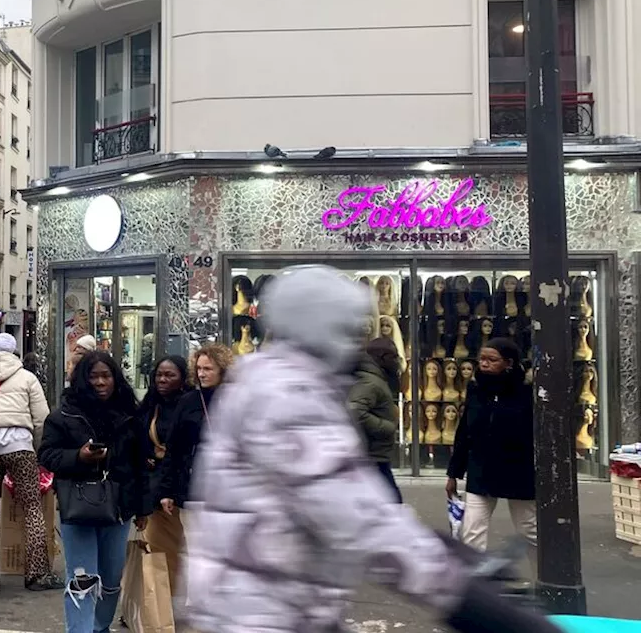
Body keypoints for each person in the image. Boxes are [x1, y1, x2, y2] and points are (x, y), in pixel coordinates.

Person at [183, 265, 557, 633]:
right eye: (349, 328)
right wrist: (474, 602)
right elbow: (358, 518)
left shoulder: (261, 382)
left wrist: (451, 553)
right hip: (266, 612)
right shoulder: (289, 398)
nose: (356, 340)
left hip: (261, 600)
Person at [39, 351, 149, 633]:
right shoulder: (63, 415)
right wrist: (79, 456)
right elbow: (47, 455)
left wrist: (143, 507)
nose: (100, 382)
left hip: (120, 507)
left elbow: (141, 462)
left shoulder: (130, 413)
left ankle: (99, 627)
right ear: (82, 380)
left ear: (115, 378)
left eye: (106, 375)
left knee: (111, 580)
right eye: (93, 376)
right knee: (83, 580)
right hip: (79, 506)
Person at [0, 333, 59, 593]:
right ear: (14, 351)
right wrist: (38, 451)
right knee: (32, 508)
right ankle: (37, 574)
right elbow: (41, 418)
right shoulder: (27, 377)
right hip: (21, 445)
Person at [447, 338, 537, 561]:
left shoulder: (527, 391)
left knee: (530, 530)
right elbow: (465, 429)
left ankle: (544, 583)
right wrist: (454, 473)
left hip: (518, 469)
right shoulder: (476, 388)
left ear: (508, 363)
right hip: (482, 468)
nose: (484, 364)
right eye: (482, 359)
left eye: (492, 360)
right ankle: (474, 590)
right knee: (471, 532)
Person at [136, 354, 191, 594]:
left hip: (181, 485)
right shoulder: (150, 405)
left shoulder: (189, 406)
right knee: (156, 548)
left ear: (182, 379)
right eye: (159, 374)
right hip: (153, 485)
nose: (163, 379)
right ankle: (156, 603)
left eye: (170, 375)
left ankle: (172, 599)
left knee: (180, 547)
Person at [158, 343, 232, 519]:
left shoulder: (236, 399)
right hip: (194, 484)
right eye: (199, 368)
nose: (201, 374)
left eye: (207, 369)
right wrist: (166, 491)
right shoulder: (188, 402)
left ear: (222, 370)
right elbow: (173, 447)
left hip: (228, 487)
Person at [349, 337, 403, 502]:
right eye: (394, 357)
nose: (397, 362)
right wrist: (386, 427)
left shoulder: (376, 379)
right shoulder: (371, 382)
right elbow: (355, 410)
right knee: (393, 504)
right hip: (372, 458)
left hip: (375, 456)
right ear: (382, 357)